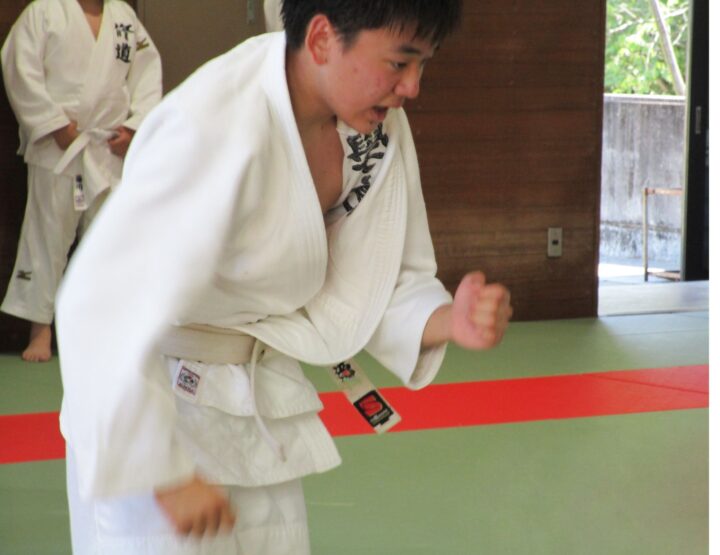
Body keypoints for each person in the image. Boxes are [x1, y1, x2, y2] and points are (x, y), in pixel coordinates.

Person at [54, 1, 512, 552]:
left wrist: (448, 319)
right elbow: (98, 302)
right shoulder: (215, 122)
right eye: (399, 62)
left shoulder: (374, 130)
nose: (412, 87)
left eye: (423, 65)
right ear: (321, 39)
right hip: (153, 406)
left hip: (262, 404)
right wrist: (160, 470)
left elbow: (370, 277)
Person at [0, 0, 162, 362]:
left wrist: (135, 126)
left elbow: (147, 73)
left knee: (112, 240)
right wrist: (53, 124)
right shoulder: (44, 11)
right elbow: (19, 66)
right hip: (59, 146)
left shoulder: (124, 17)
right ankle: (40, 329)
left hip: (107, 146)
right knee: (47, 236)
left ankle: (107, 327)